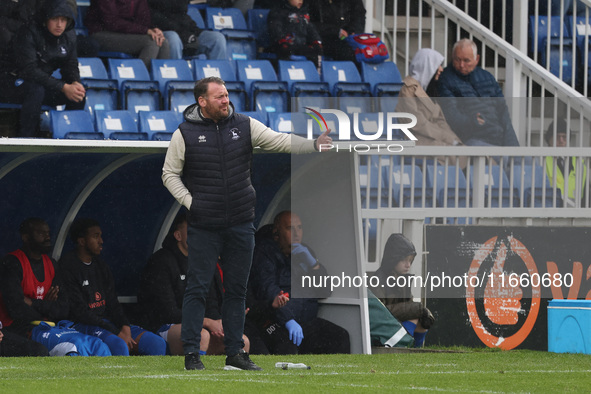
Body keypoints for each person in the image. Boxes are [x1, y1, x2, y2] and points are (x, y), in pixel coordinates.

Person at [161, 76, 332, 371]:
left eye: (226, 95)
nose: (226, 100)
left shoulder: (245, 125)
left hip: (240, 223)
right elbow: (169, 174)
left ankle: (235, 353)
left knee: (237, 290)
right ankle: (191, 353)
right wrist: (193, 203)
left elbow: (279, 140)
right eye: (219, 97)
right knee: (198, 288)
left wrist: (313, 145)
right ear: (202, 102)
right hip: (204, 224)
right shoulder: (185, 133)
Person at [0, 218, 111, 357]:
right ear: (26, 237)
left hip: (50, 326)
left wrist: (34, 303)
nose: (47, 237)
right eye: (41, 233)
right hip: (19, 329)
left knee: (97, 345)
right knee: (77, 345)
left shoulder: (51, 264)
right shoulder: (12, 263)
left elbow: (63, 308)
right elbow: (16, 309)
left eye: (48, 233)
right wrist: (46, 308)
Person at [60, 218, 167, 356]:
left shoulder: (101, 266)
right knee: (119, 344)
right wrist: (115, 331)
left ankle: (152, 377)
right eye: (95, 236)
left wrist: (125, 326)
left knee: (156, 343)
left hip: (108, 323)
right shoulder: (68, 266)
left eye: (100, 236)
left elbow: (113, 302)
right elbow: (79, 312)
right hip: (82, 325)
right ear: (81, 241)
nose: (101, 241)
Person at [249, 211, 351, 355]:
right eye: (290, 228)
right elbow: (268, 290)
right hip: (275, 322)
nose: (297, 233)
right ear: (277, 232)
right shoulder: (264, 253)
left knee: (340, 336)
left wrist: (314, 266)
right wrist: (287, 320)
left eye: (300, 228)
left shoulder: (305, 252)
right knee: (286, 348)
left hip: (306, 322)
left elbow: (324, 290)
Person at [0, 0, 86, 138]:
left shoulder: (69, 36)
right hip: (10, 82)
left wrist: (75, 82)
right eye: (55, 19)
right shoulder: (28, 32)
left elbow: (70, 64)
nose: (59, 25)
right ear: (46, 19)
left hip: (39, 83)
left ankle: (73, 138)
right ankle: (27, 139)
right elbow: (29, 70)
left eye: (63, 20)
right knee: (36, 90)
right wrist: (63, 87)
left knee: (78, 94)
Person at [137, 211, 210, 356]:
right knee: (200, 334)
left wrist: (218, 322)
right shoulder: (161, 262)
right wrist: (205, 321)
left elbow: (209, 301)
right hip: (161, 326)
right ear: (178, 236)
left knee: (241, 340)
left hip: (194, 323)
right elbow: (167, 312)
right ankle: (196, 372)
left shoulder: (200, 263)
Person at [437, 38, 520, 147]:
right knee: (503, 159)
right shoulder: (445, 79)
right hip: (470, 140)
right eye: (457, 60)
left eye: (466, 61)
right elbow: (451, 116)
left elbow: (503, 114)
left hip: (498, 139)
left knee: (526, 161)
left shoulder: (488, 78)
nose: (461, 65)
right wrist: (473, 122)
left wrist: (513, 146)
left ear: (477, 59)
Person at [369, 233, 434, 348]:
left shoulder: (402, 279)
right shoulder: (377, 280)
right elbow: (381, 313)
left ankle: (417, 351)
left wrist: (419, 312)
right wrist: (417, 309)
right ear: (393, 259)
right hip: (384, 330)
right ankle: (404, 348)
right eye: (404, 260)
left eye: (410, 260)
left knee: (422, 322)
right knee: (414, 317)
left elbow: (408, 305)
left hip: (395, 322)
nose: (408, 265)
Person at [396, 48, 463, 148]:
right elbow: (416, 122)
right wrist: (444, 137)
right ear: (426, 66)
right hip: (419, 142)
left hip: (436, 139)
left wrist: (454, 140)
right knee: (463, 157)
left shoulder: (429, 90)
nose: (441, 69)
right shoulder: (408, 89)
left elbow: (441, 121)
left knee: (471, 153)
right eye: (437, 65)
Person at [84, 0, 171, 68]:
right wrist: (145, 30)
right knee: (151, 42)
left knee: (163, 42)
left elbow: (144, 19)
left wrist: (154, 30)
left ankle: (159, 85)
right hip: (101, 34)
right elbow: (112, 22)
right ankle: (140, 83)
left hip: (127, 33)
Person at [147, 0, 227, 60]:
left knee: (217, 38)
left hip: (184, 31)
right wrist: (182, 33)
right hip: (163, 30)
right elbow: (153, 16)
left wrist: (192, 32)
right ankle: (176, 79)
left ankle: (216, 80)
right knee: (173, 38)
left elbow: (183, 15)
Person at [267, 0, 323, 68]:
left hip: (300, 45)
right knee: (285, 52)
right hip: (284, 45)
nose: (300, 1)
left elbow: (312, 30)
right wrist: (283, 41)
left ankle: (312, 75)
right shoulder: (278, 12)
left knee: (314, 53)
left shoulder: (304, 14)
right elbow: (276, 29)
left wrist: (316, 42)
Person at [544, 119, 587, 207]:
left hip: (575, 215)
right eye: (557, 137)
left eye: (564, 137)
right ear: (549, 140)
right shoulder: (542, 160)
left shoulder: (580, 164)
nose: (561, 141)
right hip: (550, 213)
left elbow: (586, 196)